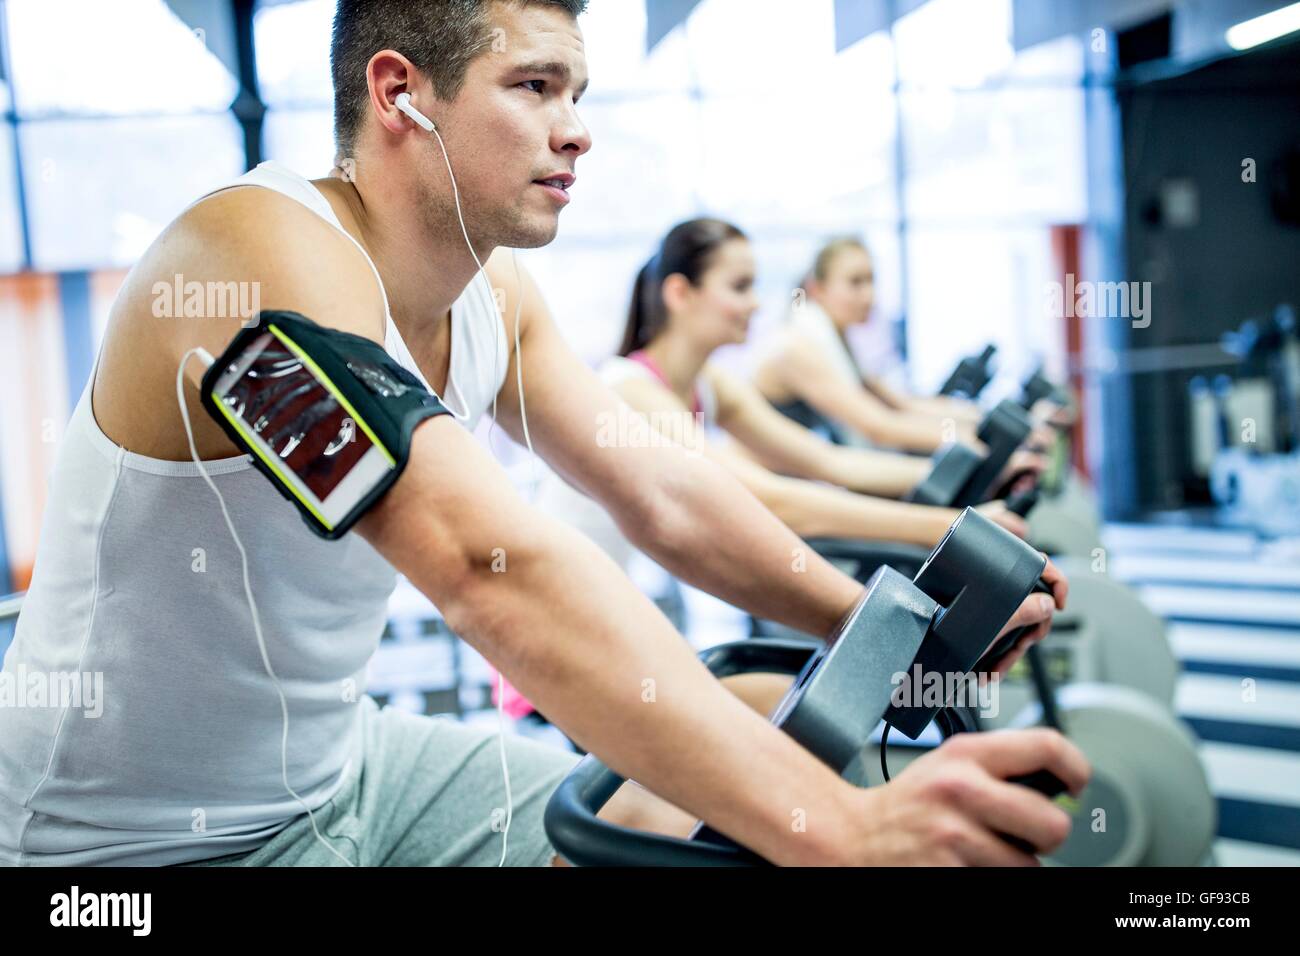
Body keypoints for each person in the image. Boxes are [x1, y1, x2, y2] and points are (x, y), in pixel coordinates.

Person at [0, 0, 1082, 868]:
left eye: (577, 91)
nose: (577, 126)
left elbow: (662, 492)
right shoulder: (247, 258)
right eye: (532, 86)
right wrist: (842, 830)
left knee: (678, 808)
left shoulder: (494, 294)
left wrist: (883, 628)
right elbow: (480, 565)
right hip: (116, 849)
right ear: (399, 95)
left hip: (344, 770)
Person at [535, 218, 1040, 570]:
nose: (756, 305)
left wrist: (982, 472)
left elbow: (829, 462)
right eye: (739, 287)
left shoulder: (711, 385)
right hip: (561, 615)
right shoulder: (632, 391)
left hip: (612, 597)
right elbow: (770, 497)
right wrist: (949, 525)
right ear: (679, 294)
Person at [754, 237, 1040, 451]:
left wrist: (996, 420)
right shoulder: (797, 347)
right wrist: (988, 436)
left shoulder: (838, 343)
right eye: (855, 282)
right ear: (817, 288)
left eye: (871, 281)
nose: (869, 296)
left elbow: (900, 404)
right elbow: (879, 427)